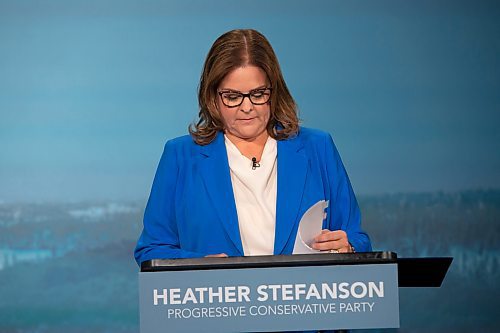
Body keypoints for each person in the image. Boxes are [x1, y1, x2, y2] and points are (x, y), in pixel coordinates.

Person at [134, 29, 371, 265]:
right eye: (232, 96)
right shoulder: (181, 156)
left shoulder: (317, 148)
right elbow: (151, 250)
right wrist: (200, 265)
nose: (246, 107)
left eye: (258, 94)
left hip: (303, 300)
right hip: (219, 299)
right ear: (213, 96)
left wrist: (347, 245)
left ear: (274, 91)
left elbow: (358, 239)